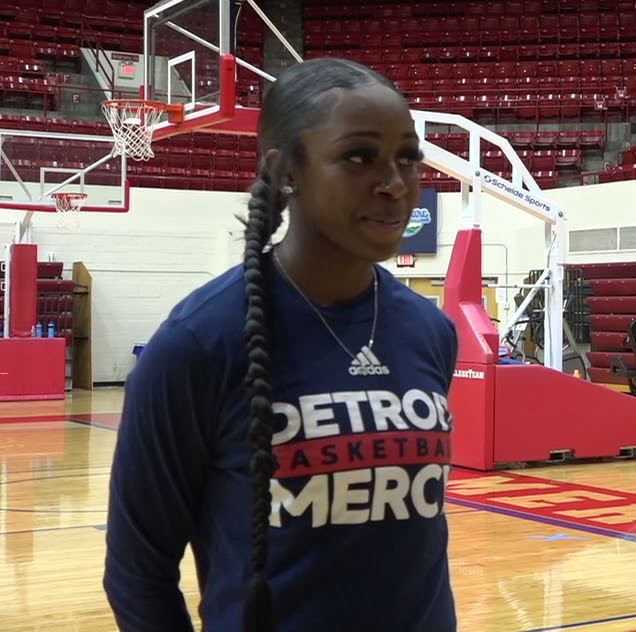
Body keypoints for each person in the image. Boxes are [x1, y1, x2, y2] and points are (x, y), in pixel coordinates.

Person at [103, 58, 460, 632]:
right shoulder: (198, 343)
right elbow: (137, 572)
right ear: (285, 169)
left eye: (407, 157)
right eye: (359, 156)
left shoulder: (430, 330)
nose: (396, 183)